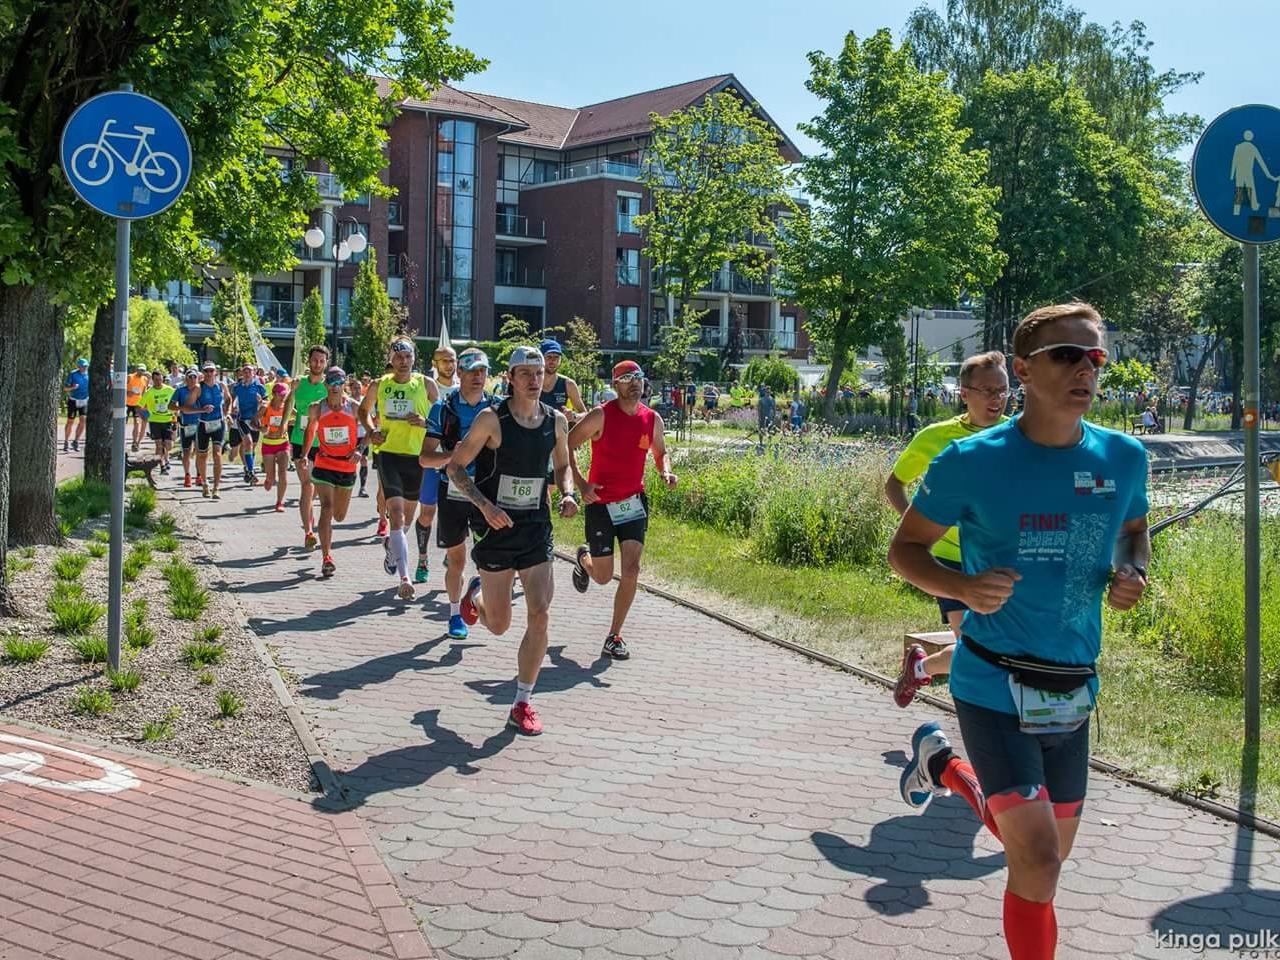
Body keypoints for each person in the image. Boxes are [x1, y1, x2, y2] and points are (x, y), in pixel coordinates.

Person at [890, 302, 1149, 960]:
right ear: (1026, 370)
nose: (1086, 369)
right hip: (992, 679)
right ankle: (948, 764)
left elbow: (1133, 532)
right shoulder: (971, 460)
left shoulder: (1124, 457)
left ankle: (943, 766)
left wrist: (1130, 573)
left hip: (1072, 685)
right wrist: (963, 587)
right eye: (1068, 354)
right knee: (1037, 858)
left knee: (1040, 857)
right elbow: (906, 550)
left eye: (1096, 357)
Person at [448, 346, 579, 736]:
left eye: (538, 372)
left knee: (540, 612)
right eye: (525, 373)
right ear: (510, 378)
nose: (534, 379)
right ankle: (475, 598)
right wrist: (485, 507)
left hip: (536, 527)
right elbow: (456, 468)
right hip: (496, 528)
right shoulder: (493, 419)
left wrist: (568, 492)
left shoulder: (555, 421)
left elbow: (562, 465)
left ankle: (522, 702)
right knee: (500, 625)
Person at [885, 350, 1010, 707]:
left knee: (994, 643)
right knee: (973, 643)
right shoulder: (935, 438)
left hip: (997, 556)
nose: (996, 399)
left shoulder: (1018, 436)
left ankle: (922, 667)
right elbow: (894, 485)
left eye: (1003, 390)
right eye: (986, 390)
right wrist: (919, 526)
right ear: (964, 392)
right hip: (948, 559)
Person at [567, 360, 677, 660]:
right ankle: (584, 558)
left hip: (633, 503)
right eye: (626, 378)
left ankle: (614, 636)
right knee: (603, 577)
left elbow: (660, 452)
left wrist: (665, 471)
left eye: (638, 378)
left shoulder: (652, 419)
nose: (634, 384)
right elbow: (567, 444)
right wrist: (580, 484)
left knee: (632, 569)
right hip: (601, 504)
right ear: (615, 385)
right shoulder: (601, 415)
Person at [419, 347, 495, 639]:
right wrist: (454, 456)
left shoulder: (498, 407)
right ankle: (454, 615)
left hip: (486, 489)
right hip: (451, 490)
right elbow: (425, 458)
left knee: (492, 556)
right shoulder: (443, 408)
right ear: (459, 373)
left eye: (483, 371)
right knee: (457, 558)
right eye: (472, 371)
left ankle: (476, 587)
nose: (478, 377)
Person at [360, 336, 436, 600]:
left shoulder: (426, 384)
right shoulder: (379, 385)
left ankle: (393, 547)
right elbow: (363, 411)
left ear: (414, 358)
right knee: (396, 513)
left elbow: (440, 419)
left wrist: (424, 422)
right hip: (389, 454)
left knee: (407, 519)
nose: (403, 362)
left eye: (407, 357)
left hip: (416, 457)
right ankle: (404, 578)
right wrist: (372, 431)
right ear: (390, 359)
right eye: (398, 357)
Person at [303, 368, 360, 578]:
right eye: (331, 382)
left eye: (339, 382)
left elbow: (370, 431)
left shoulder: (354, 408)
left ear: (344, 384)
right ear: (325, 385)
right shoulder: (317, 408)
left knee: (339, 515)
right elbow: (310, 430)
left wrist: (360, 450)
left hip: (347, 466)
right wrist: (304, 454)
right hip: (324, 463)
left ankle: (327, 551)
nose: (335, 386)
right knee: (326, 507)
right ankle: (327, 557)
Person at [290, 345, 331, 549]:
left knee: (315, 489)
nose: (317, 364)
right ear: (309, 361)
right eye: (315, 360)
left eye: (321, 361)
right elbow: (289, 405)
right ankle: (308, 532)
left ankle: (310, 520)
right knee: (307, 485)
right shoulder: (298, 383)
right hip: (299, 440)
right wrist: (281, 427)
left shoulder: (329, 387)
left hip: (322, 443)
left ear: (326, 363)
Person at [184, 361, 231, 499]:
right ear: (202, 373)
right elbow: (187, 407)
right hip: (203, 424)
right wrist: (201, 409)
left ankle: (216, 487)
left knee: (217, 454)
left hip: (218, 423)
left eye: (211, 371)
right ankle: (205, 484)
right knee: (202, 455)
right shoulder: (199, 388)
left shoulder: (221, 386)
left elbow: (229, 399)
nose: (209, 374)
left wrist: (227, 412)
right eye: (206, 371)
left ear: (215, 372)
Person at [257, 381, 294, 512]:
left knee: (283, 473)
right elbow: (253, 421)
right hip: (268, 444)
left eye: (285, 395)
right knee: (271, 478)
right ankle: (268, 479)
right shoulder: (265, 407)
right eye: (281, 395)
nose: (283, 397)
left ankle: (280, 502)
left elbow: (298, 415)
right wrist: (260, 428)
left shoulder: (287, 407)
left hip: (283, 443)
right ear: (274, 394)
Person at [230, 363, 267, 485]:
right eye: (244, 371)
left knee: (252, 447)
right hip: (242, 419)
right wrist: (232, 409)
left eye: (249, 371)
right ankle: (251, 472)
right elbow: (231, 399)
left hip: (255, 420)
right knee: (248, 443)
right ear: (242, 373)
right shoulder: (237, 387)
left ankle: (247, 469)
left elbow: (266, 403)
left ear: (254, 373)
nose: (246, 374)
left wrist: (261, 401)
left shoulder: (259, 387)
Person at [538, 339, 585, 422]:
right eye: (549, 357)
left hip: (558, 433)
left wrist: (574, 416)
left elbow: (585, 413)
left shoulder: (568, 384)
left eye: (556, 357)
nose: (553, 361)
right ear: (540, 358)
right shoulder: (532, 382)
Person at [170, 369, 202, 486]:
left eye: (194, 377)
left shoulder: (201, 391)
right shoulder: (180, 391)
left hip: (199, 424)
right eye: (190, 377)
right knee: (186, 452)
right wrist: (182, 409)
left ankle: (199, 475)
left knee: (200, 451)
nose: (192, 379)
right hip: (186, 425)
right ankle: (187, 475)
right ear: (185, 379)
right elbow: (171, 406)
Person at [140, 370, 176, 473]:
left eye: (160, 379)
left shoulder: (169, 390)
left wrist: (176, 417)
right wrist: (145, 417)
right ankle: (162, 466)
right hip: (155, 421)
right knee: (159, 445)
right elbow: (139, 406)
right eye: (156, 380)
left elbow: (176, 403)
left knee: (168, 445)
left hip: (168, 420)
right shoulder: (149, 392)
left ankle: (166, 458)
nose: (158, 382)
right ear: (153, 380)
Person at [62, 358, 89, 452]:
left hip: (84, 400)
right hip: (73, 400)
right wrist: (72, 387)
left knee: (83, 421)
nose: (84, 368)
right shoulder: (73, 374)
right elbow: (65, 388)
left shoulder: (89, 375)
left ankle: (76, 441)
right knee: (70, 421)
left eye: (86, 366)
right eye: (82, 366)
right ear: (78, 367)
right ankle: (66, 441)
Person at [126, 364, 149, 452]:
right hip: (127, 403)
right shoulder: (130, 377)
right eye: (140, 370)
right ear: (136, 369)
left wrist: (144, 404)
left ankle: (134, 442)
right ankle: (118, 442)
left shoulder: (145, 379)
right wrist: (128, 392)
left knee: (137, 423)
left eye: (143, 371)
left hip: (137, 404)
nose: (141, 372)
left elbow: (144, 392)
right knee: (123, 422)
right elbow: (122, 388)